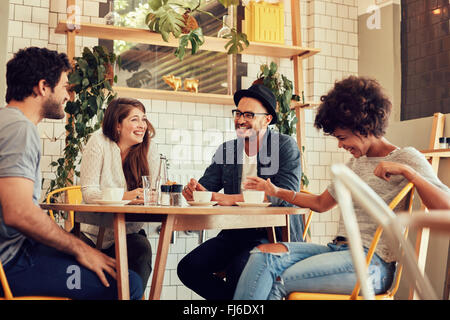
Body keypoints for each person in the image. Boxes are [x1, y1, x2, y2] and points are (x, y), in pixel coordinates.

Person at [233, 76, 450, 300]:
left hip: (372, 264)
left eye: (342, 137)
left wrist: (409, 173)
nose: (340, 144)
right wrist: (277, 191)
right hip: (338, 250)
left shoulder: (406, 157)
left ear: (364, 127)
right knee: (261, 257)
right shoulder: (354, 164)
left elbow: (446, 207)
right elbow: (320, 203)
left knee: (279, 278)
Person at [0, 47, 143, 299]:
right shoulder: (20, 130)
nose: (69, 95)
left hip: (17, 252)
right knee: (126, 283)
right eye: (65, 87)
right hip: (12, 263)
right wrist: (81, 249)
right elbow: (19, 213)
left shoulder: (6, 122)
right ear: (43, 86)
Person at [177, 84, 303, 300]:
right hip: (235, 233)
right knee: (189, 268)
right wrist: (195, 192)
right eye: (238, 113)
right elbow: (207, 186)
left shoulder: (284, 146)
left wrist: (228, 199)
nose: (240, 119)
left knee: (240, 269)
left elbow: (285, 194)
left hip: (272, 234)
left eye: (249, 114)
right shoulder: (228, 150)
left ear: (267, 120)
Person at [79, 97, 158, 289]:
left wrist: (153, 197)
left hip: (129, 232)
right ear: (117, 125)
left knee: (142, 249)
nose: (142, 125)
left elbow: (153, 192)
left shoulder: (149, 148)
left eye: (144, 119)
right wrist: (127, 196)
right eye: (134, 119)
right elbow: (89, 192)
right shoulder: (98, 141)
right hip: (94, 234)